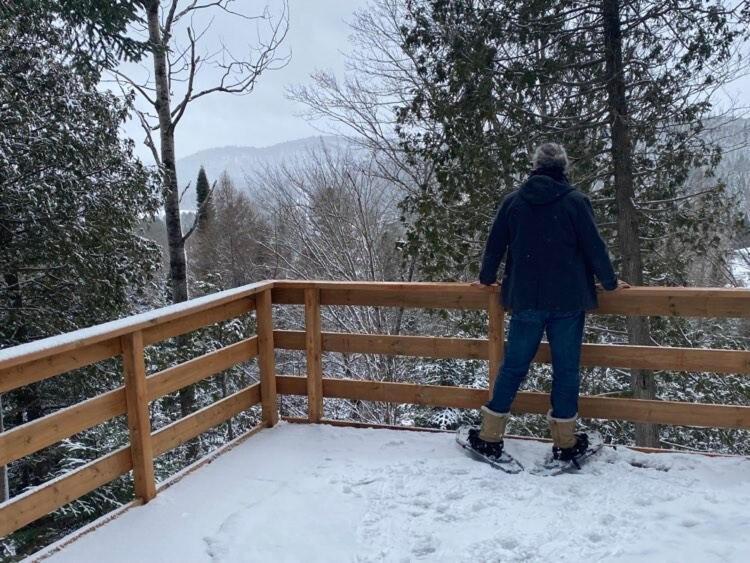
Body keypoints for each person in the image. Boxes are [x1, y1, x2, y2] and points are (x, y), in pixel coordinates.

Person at [470, 142, 629, 463]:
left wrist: (487, 278)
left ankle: (489, 436)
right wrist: (611, 283)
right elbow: (594, 248)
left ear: (535, 166)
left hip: (526, 299)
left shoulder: (513, 203)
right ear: (563, 168)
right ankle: (566, 443)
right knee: (566, 369)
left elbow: (495, 246)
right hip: (568, 301)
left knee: (514, 366)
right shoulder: (575, 202)